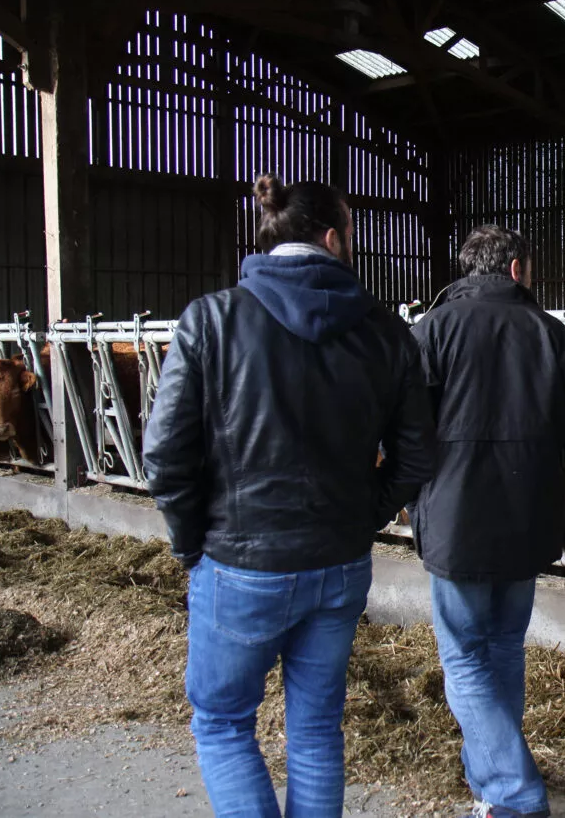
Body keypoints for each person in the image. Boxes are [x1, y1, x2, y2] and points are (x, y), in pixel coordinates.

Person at [143, 174, 436, 818]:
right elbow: (416, 455)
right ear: (333, 238)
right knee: (314, 731)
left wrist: (192, 542)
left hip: (239, 562)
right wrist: (361, 517)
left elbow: (164, 457)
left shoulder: (211, 320)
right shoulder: (386, 333)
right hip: (338, 566)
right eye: (353, 231)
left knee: (223, 724)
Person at [411, 224, 565, 818]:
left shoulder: (431, 331)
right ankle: (490, 774)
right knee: (502, 646)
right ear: (518, 268)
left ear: (470, 269)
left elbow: (403, 428)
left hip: (454, 519)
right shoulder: (552, 335)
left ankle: (513, 796)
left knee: (465, 654)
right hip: (526, 517)